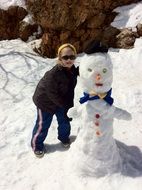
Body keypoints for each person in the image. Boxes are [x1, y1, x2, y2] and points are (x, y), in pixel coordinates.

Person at [31, 43, 79, 158]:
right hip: (45, 102)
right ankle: (37, 145)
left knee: (65, 120)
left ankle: (64, 137)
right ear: (59, 58)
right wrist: (65, 105)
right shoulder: (53, 74)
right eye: (65, 57)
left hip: (60, 100)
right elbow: (51, 93)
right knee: (43, 124)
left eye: (72, 57)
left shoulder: (72, 70)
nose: (69, 60)